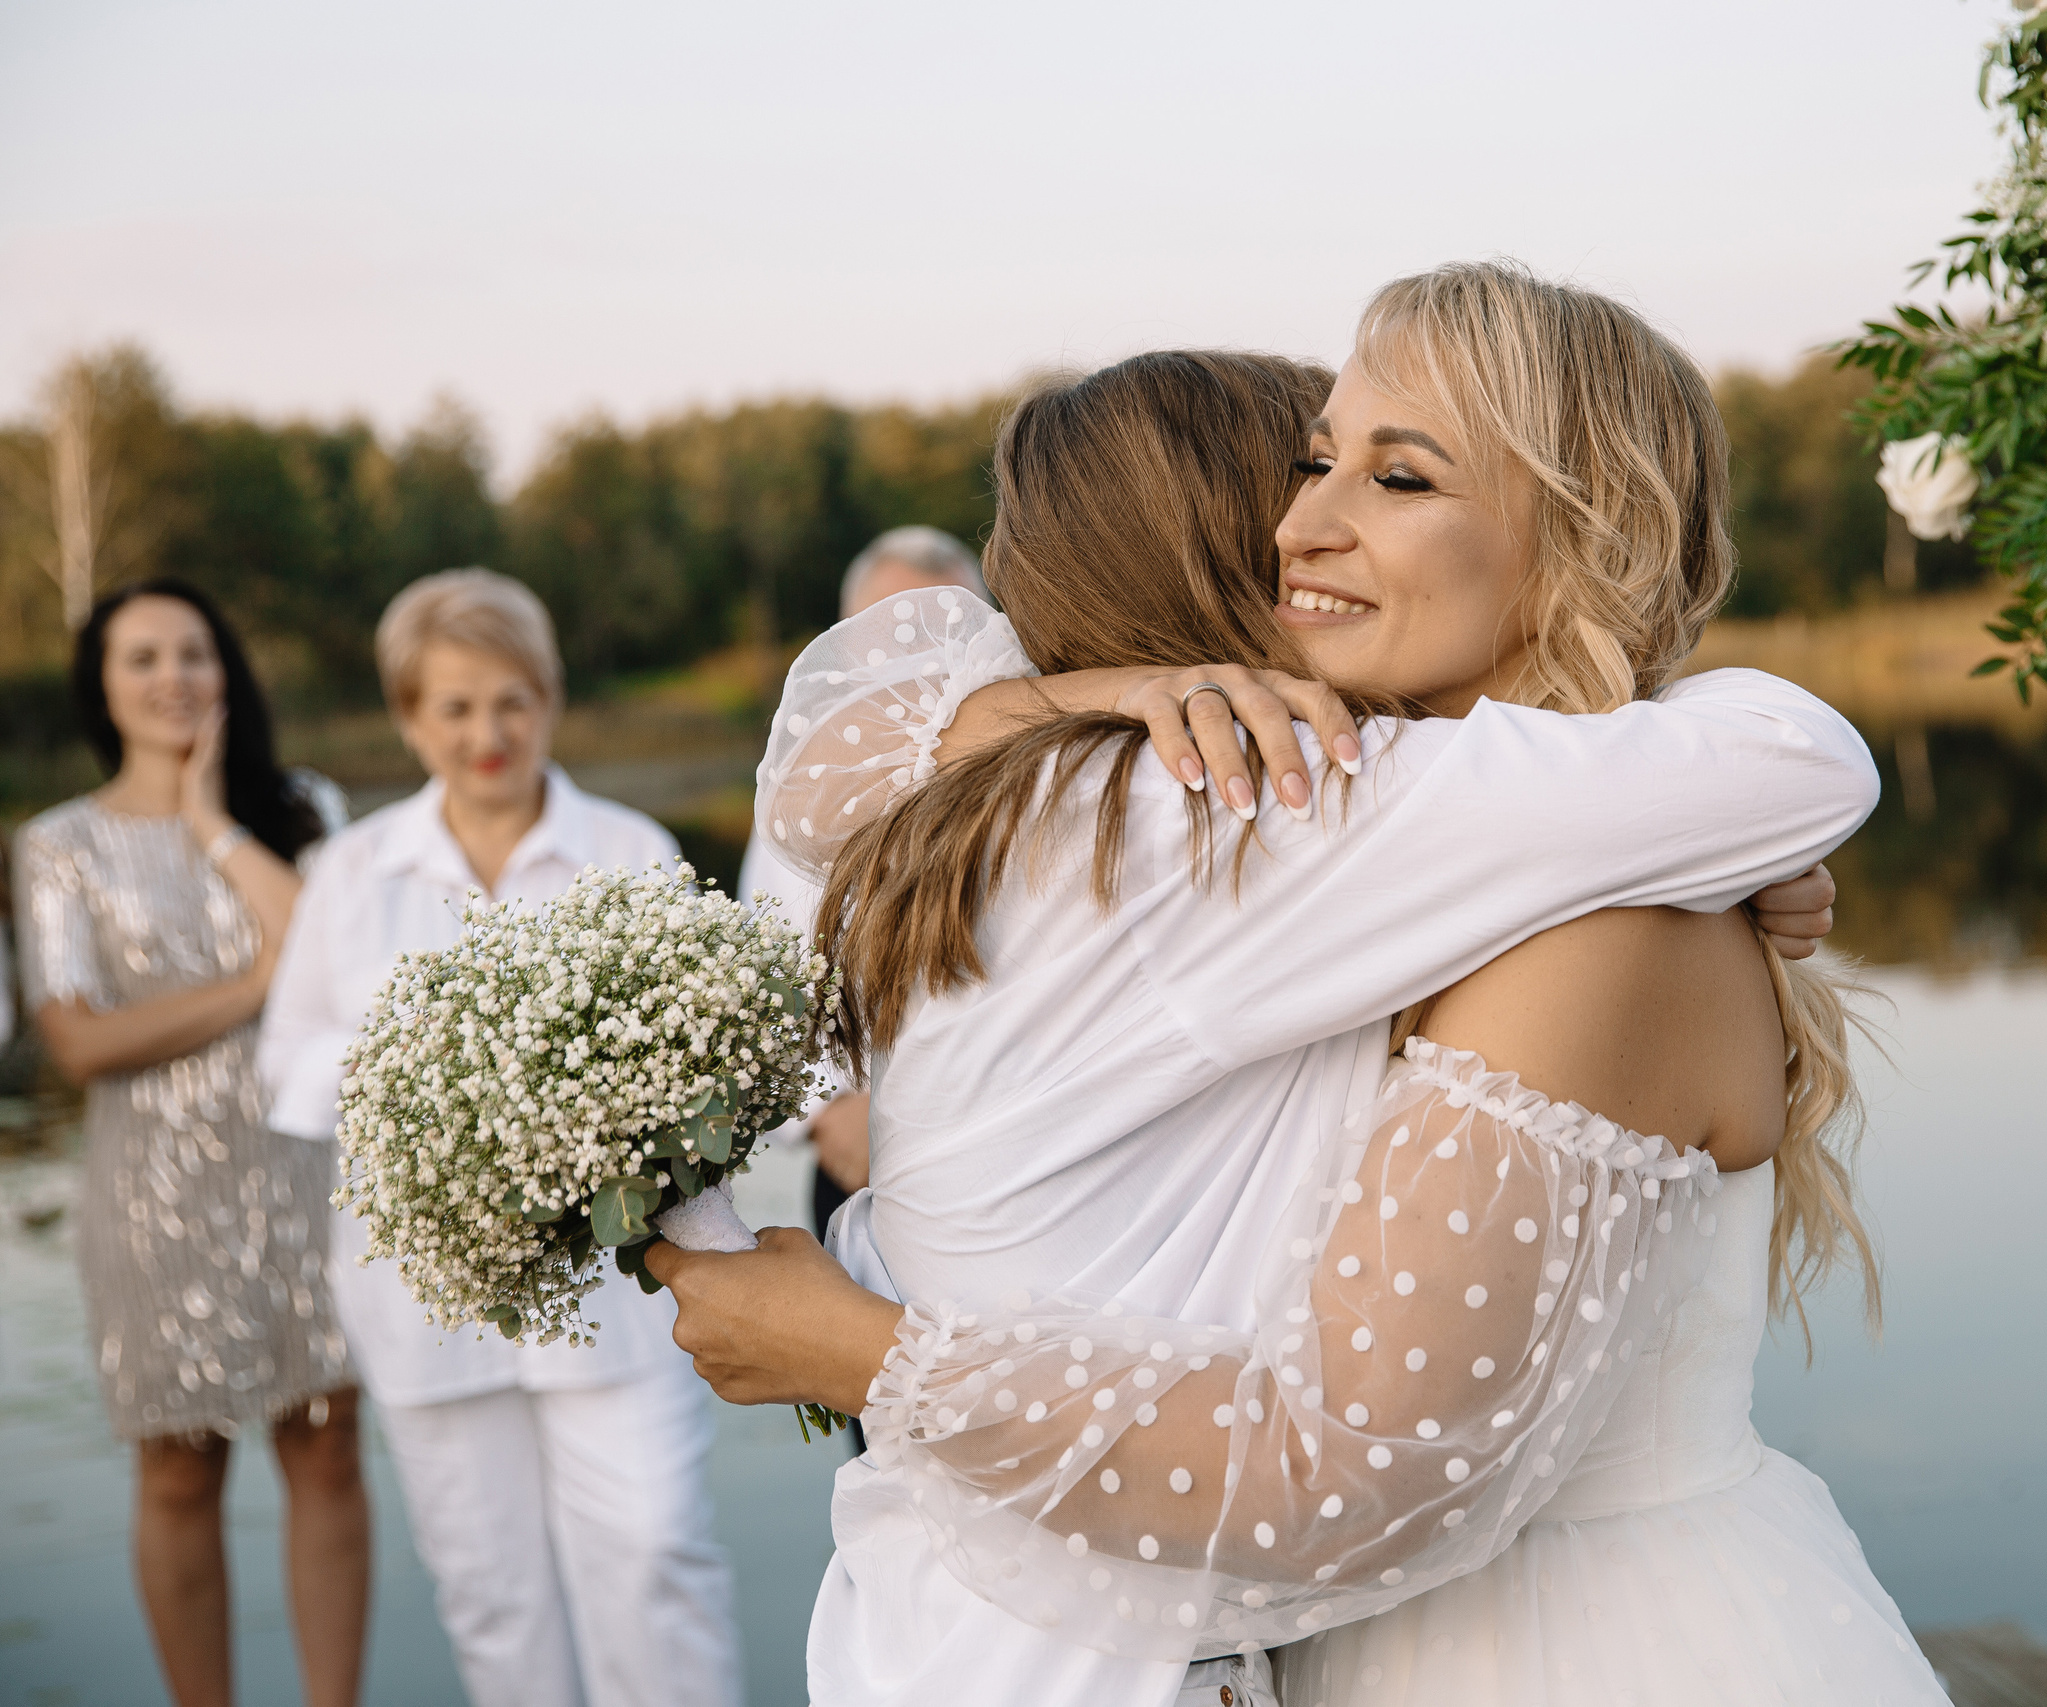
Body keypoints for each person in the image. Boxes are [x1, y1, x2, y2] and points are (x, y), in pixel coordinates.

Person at [654, 272, 1922, 1706]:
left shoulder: (1561, 901)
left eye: (1399, 474)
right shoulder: (1364, 831)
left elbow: (1349, 1470)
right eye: (1316, 462)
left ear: (1582, 533)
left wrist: (866, 1352)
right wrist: (1074, 695)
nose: (1300, 524)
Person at [255, 568, 744, 1707]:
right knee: (491, 1595)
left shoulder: (629, 846)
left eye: (512, 701)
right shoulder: (352, 872)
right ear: (408, 717)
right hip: (426, 1302)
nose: (488, 734)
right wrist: (435, 1069)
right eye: (456, 707)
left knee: (656, 1553)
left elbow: (706, 1072)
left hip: (619, 1297)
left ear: (552, 699)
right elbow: (288, 1066)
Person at [15, 580, 363, 1707]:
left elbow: (336, 960)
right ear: (102, 687)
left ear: (226, 671)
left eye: (194, 653)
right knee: (178, 1468)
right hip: (151, 1197)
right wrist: (254, 987)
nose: (173, 676)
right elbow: (79, 1041)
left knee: (327, 1445)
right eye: (143, 657)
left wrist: (214, 823)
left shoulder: (301, 805)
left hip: (307, 1172)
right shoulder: (60, 845)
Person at [737, 524, 991, 1236]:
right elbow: (767, 971)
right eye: (892, 635)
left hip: (1005, 1149)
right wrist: (827, 1112)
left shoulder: (1027, 779)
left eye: (942, 630)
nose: (919, 659)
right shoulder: (801, 796)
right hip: (860, 1160)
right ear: (843, 650)